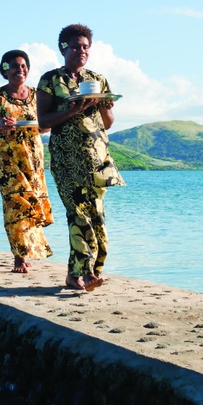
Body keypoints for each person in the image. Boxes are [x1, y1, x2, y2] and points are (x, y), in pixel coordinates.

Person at [37, 24, 125, 292]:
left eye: (86, 46)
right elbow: (44, 122)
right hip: (66, 159)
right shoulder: (50, 80)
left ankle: (80, 274)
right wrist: (75, 109)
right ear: (63, 48)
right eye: (76, 46)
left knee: (96, 217)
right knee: (78, 216)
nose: (82, 51)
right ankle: (85, 274)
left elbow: (107, 123)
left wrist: (104, 107)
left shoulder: (98, 80)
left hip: (97, 159)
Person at [0, 49, 53, 273]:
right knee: (15, 205)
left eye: (23, 66)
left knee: (31, 203)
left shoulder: (36, 95)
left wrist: (43, 126)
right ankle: (19, 257)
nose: (19, 70)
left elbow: (45, 125)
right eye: (14, 66)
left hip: (33, 159)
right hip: (7, 161)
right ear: (5, 70)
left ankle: (27, 250)